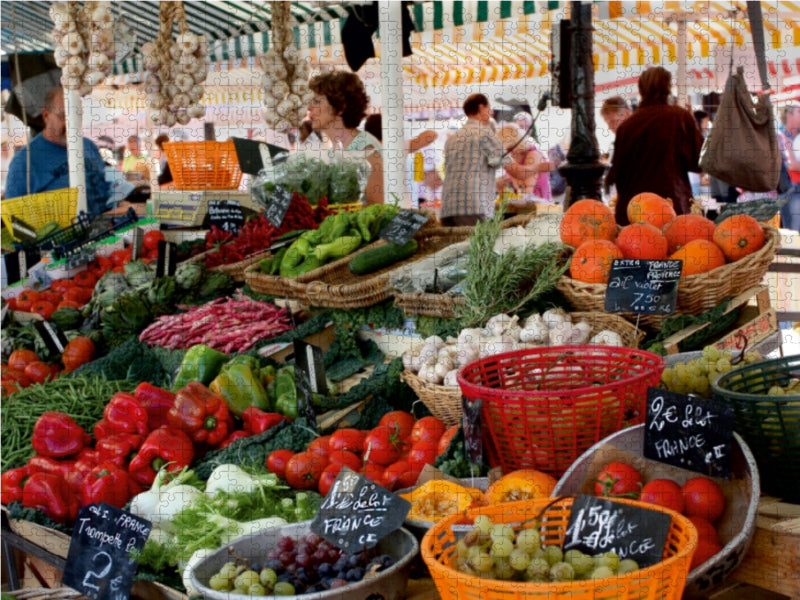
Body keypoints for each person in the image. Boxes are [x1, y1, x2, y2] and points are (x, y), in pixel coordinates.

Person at [605, 67, 703, 225]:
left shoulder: (626, 126)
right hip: (671, 206)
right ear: (668, 88)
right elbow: (698, 162)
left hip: (632, 211)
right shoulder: (679, 117)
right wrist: (693, 125)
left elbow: (618, 173)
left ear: (640, 89)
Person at [5, 86, 110, 216]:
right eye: (63, 116)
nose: (72, 123)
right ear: (46, 115)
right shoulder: (23, 163)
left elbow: (108, 187)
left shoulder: (89, 146)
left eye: (77, 115)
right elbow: (15, 220)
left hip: (108, 232)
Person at [307, 70, 384, 204]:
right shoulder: (333, 152)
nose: (309, 108)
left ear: (340, 106)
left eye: (317, 101)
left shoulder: (366, 148)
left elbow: (381, 210)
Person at [440, 93, 511, 226]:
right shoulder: (484, 133)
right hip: (473, 208)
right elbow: (514, 169)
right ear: (481, 107)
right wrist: (538, 168)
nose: (492, 112)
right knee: (476, 247)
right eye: (489, 107)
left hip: (447, 208)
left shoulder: (452, 139)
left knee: (454, 247)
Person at [495, 122, 552, 208]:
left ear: (519, 142)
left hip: (538, 210)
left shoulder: (533, 156)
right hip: (521, 211)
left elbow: (526, 193)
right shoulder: (513, 158)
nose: (510, 153)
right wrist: (502, 185)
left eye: (510, 148)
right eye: (505, 151)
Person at [778, 104, 800, 230]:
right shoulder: (781, 136)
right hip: (792, 190)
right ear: (788, 114)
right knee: (795, 232)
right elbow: (792, 165)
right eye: (799, 111)